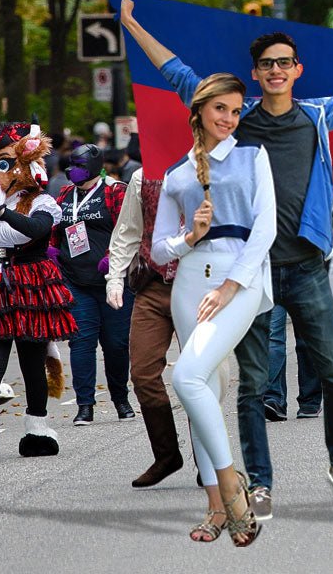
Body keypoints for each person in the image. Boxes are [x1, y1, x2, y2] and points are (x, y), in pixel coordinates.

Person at [120, 0, 333, 516]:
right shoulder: (236, 120)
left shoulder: (319, 116)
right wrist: (131, 25)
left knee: (332, 373)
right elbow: (178, 74)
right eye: (267, 64)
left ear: (297, 69)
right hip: (250, 273)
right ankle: (259, 482)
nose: (276, 70)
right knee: (254, 386)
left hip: (306, 268)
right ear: (255, 74)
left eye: (285, 62)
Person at [152, 72, 273, 545]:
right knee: (203, 390)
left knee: (186, 376)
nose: (229, 118)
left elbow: (265, 228)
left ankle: (232, 490)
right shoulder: (178, 174)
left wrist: (230, 285)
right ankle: (215, 509)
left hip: (237, 280)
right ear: (200, 109)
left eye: (236, 110)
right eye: (221, 108)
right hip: (188, 283)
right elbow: (159, 250)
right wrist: (190, 237)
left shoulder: (252, 155)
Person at [0, 122, 74, 459]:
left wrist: (1, 211)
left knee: (32, 361)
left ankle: (37, 429)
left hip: (30, 283)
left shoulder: (41, 201)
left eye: (9, 162)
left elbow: (35, 231)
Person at [105, 169, 185, 487]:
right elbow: (127, 232)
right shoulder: (142, 177)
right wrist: (114, 277)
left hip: (197, 286)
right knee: (142, 373)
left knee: (199, 375)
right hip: (152, 286)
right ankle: (166, 454)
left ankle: (209, 458)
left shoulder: (214, 167)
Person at [53, 144, 134, 425]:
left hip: (114, 281)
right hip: (76, 281)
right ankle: (85, 405)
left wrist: (113, 258)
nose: (71, 169)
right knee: (81, 343)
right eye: (71, 164)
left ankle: (121, 400)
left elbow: (130, 230)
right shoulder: (65, 194)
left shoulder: (116, 191)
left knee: (116, 345)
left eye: (78, 164)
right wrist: (53, 251)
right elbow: (56, 228)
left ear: (93, 165)